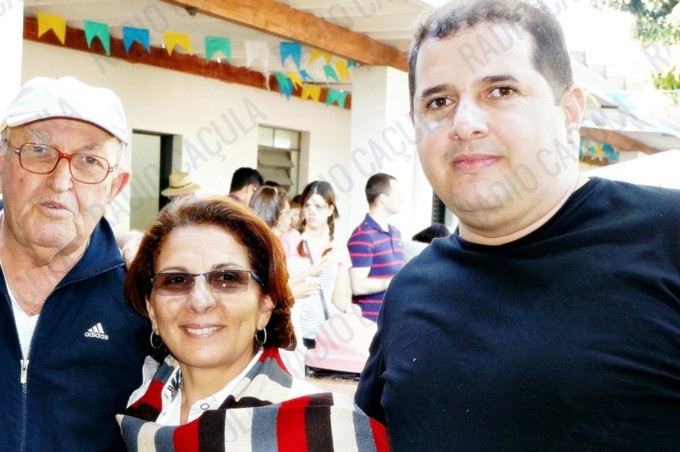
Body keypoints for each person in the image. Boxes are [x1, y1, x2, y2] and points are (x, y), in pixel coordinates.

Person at [355, 1, 680, 450]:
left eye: (501, 91)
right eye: (439, 101)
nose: (464, 124)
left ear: (569, 110)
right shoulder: (409, 290)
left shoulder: (668, 237)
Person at [118, 196, 388, 450]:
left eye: (227, 278)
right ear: (152, 309)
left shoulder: (325, 429)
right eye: (176, 280)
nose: (199, 301)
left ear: (265, 305)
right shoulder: (139, 406)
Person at [0, 76, 149, 450]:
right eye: (38, 151)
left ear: (115, 186)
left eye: (89, 161)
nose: (61, 181)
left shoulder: (141, 303)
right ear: (2, 162)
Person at [287, 181, 351, 349]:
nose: (312, 211)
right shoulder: (288, 240)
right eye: (307, 205)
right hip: (292, 332)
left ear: (330, 210)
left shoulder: (338, 247)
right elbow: (276, 289)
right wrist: (309, 273)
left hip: (324, 335)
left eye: (318, 206)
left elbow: (338, 297)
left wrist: (353, 312)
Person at [347, 173, 405, 321]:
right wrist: (393, 281)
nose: (401, 199)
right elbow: (358, 286)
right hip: (370, 322)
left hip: (394, 318)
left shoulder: (396, 233)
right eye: (397, 194)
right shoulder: (362, 235)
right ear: (383, 198)